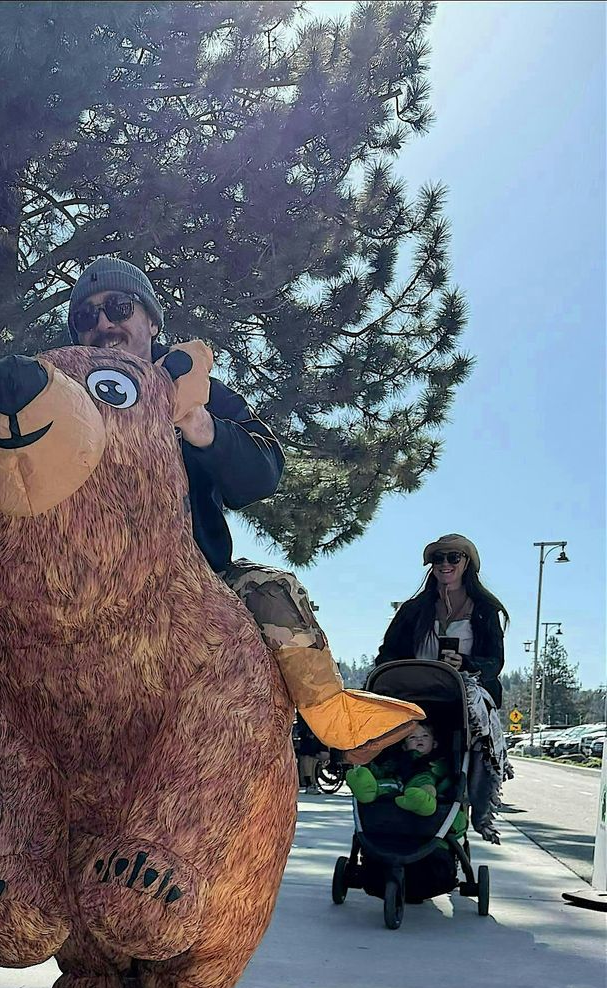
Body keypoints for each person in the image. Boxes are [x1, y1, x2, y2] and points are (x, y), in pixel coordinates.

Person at [67, 258, 421, 764]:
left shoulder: (193, 386)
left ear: (152, 321)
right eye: (87, 316)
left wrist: (198, 423)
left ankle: (332, 715)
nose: (104, 324)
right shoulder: (61, 396)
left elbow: (264, 472)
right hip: (88, 587)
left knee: (273, 592)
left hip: (198, 579)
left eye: (119, 308)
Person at [376, 536, 507, 707]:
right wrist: (407, 674)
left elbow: (495, 661)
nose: (445, 563)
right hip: (415, 697)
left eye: (454, 557)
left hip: (466, 702)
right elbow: (387, 654)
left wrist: (465, 663)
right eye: (438, 558)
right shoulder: (412, 610)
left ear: (467, 563)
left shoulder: (484, 610)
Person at [345, 720, 467, 834]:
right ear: (404, 746)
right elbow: (384, 770)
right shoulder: (399, 759)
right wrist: (370, 766)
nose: (419, 739)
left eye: (425, 736)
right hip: (399, 784)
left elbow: (447, 777)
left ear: (434, 743)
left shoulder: (438, 761)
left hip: (425, 783)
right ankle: (369, 791)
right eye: (412, 737)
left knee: (426, 785)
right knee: (386, 784)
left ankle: (423, 802)